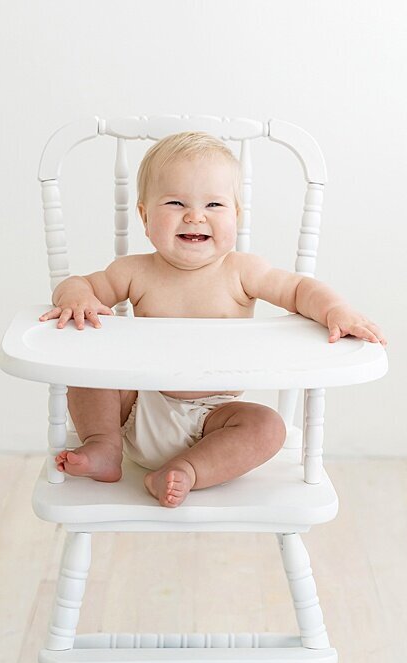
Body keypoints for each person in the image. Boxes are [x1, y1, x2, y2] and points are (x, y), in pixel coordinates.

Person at [39, 132, 386, 508]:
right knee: (85, 371)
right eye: (175, 202)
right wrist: (76, 297)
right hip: (137, 402)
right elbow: (80, 285)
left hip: (214, 415)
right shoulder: (134, 271)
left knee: (268, 428)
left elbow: (299, 290)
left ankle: (186, 470)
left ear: (235, 215)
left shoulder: (242, 271)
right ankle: (103, 445)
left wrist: (335, 310)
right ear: (144, 216)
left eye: (214, 204)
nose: (195, 215)